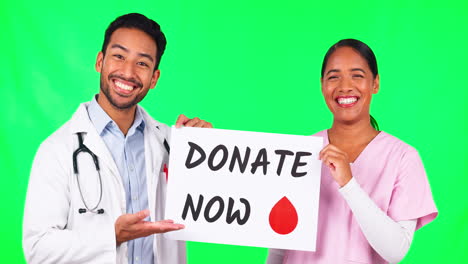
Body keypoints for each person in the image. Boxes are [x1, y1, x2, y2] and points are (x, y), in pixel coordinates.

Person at [22, 13, 212, 264]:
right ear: (100, 61)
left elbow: (214, 211)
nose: (128, 72)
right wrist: (111, 236)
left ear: (154, 78)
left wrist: (207, 152)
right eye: (119, 56)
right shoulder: (57, 150)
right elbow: (37, 249)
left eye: (142, 63)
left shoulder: (171, 144)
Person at [267, 39, 438, 264]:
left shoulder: (403, 158)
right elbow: (280, 245)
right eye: (333, 76)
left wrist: (348, 184)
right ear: (322, 85)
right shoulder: (299, 153)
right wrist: (207, 147)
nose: (344, 86)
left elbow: (396, 251)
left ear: (375, 83)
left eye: (357, 75)